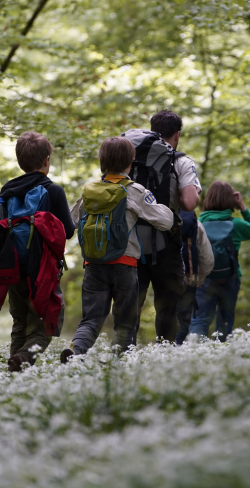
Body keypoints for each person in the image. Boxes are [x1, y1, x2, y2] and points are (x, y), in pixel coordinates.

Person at [62, 137, 174, 360]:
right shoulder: (134, 190)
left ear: (102, 161)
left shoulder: (90, 191)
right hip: (125, 264)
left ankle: (75, 350)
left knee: (90, 320)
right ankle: (118, 366)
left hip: (93, 264)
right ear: (130, 164)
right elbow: (165, 222)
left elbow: (70, 223)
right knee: (125, 323)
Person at [0, 131, 75, 372]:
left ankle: (15, 371)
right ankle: (23, 358)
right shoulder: (53, 191)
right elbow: (67, 232)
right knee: (45, 324)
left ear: (20, 161)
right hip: (42, 270)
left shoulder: (7, 190)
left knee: (19, 322)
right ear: (47, 160)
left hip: (12, 267)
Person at [121, 110, 202, 342]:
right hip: (165, 242)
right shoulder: (181, 161)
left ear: (152, 129)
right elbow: (188, 203)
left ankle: (124, 352)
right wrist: (195, 190)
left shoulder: (129, 157)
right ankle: (165, 352)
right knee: (168, 307)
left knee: (131, 305)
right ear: (177, 134)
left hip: (131, 242)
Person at [189, 181, 250, 341]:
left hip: (204, 280)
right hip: (230, 278)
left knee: (200, 319)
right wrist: (242, 207)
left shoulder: (198, 225)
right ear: (231, 200)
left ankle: (193, 350)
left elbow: (190, 252)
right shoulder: (236, 224)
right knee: (225, 321)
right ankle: (222, 352)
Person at [174, 209, 215, 344]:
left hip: (161, 280)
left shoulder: (155, 215)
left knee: (165, 316)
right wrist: (199, 277)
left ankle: (164, 350)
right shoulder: (194, 223)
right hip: (187, 279)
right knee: (184, 319)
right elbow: (207, 258)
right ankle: (175, 348)